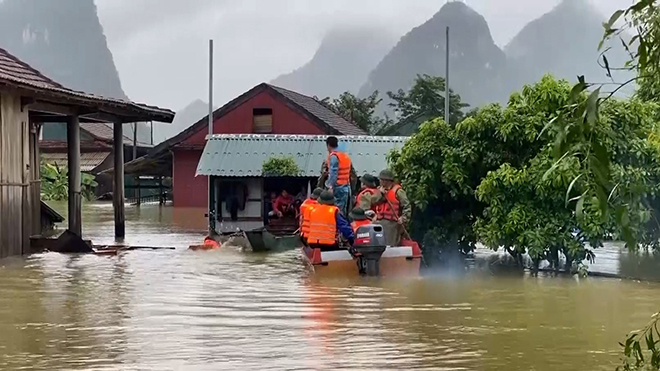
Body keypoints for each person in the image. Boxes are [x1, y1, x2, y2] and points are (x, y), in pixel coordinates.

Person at [374, 169, 412, 247]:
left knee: (390, 245)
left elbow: (407, 205)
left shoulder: (398, 191)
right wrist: (380, 194)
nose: (380, 182)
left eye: (381, 180)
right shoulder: (379, 190)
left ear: (387, 181)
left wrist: (404, 218)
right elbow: (374, 202)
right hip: (379, 222)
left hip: (392, 224)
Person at [325, 136, 352, 216]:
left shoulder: (334, 157)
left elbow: (334, 173)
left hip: (338, 187)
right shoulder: (344, 155)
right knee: (343, 210)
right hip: (346, 186)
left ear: (328, 145)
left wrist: (330, 187)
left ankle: (337, 227)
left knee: (336, 211)